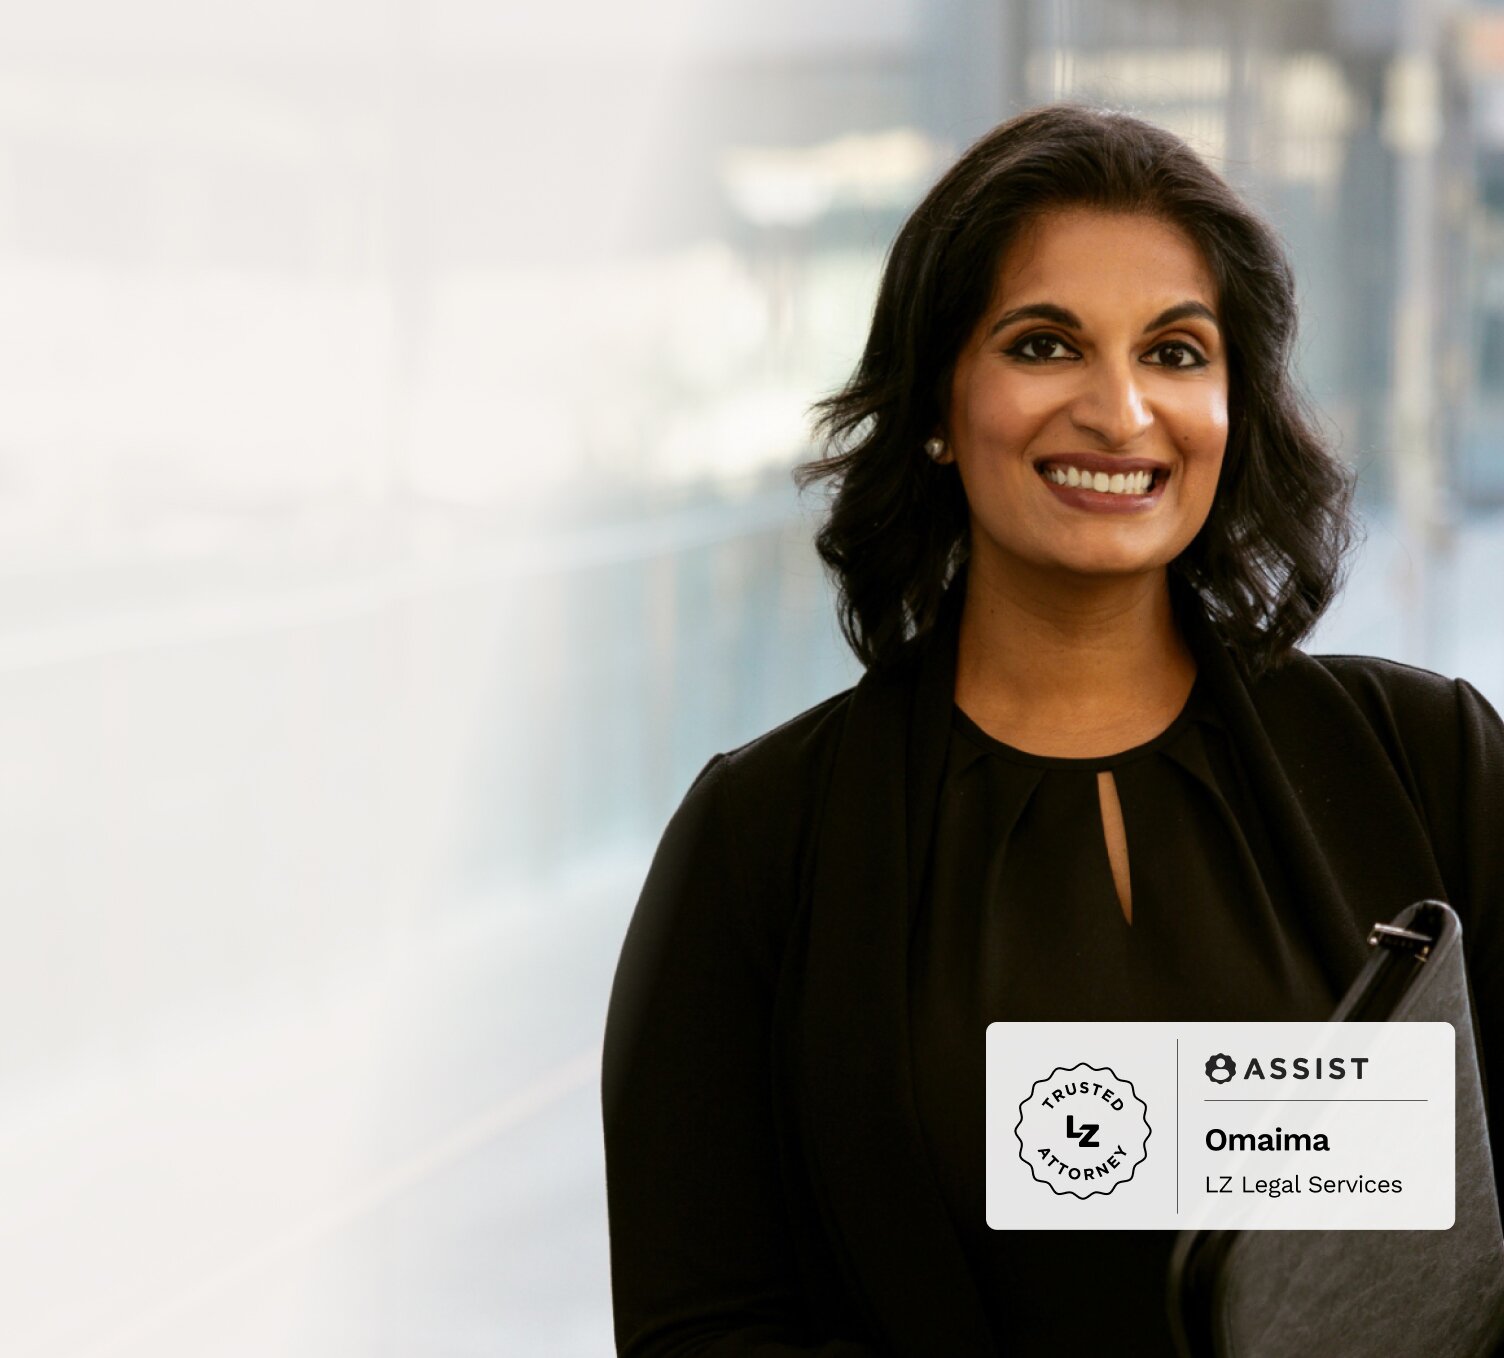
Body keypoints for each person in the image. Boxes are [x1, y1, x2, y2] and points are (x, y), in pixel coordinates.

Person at [600, 103, 1504, 1356]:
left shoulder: (1431, 762)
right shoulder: (759, 843)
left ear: (1233, 406)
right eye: (1044, 344)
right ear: (935, 402)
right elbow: (704, 1323)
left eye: (1178, 353)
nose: (1122, 411)